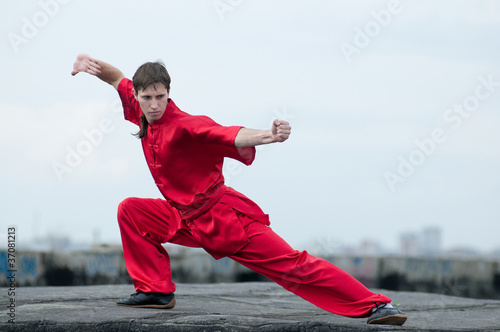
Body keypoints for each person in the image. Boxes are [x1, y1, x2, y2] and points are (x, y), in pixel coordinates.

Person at [71, 53, 407, 326]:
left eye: (161, 97)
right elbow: (117, 77)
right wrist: (91, 65)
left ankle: (376, 305)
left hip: (222, 219)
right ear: (139, 98)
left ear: (168, 94)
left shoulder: (187, 125)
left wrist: (269, 135)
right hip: (181, 215)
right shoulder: (141, 108)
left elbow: (229, 134)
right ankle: (156, 292)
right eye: (147, 98)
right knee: (131, 210)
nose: (154, 104)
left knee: (294, 265)